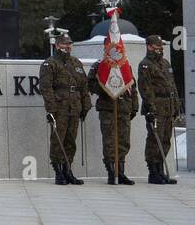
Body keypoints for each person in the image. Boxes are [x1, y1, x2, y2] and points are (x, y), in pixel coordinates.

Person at [40, 32, 90, 185]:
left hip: (75, 107)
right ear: (57, 45)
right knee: (58, 140)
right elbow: (46, 88)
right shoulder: (50, 63)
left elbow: (83, 86)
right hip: (59, 108)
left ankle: (68, 170)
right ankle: (58, 171)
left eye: (69, 44)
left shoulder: (76, 63)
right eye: (63, 44)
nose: (67, 47)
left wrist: (85, 106)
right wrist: (50, 109)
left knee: (70, 140)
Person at [87, 57, 138, 185]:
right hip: (108, 108)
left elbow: (132, 86)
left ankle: (120, 173)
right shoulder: (99, 65)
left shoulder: (124, 64)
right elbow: (90, 85)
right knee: (110, 141)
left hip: (124, 108)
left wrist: (134, 107)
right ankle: (111, 173)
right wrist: (108, 89)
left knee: (124, 141)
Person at [138, 33, 180, 185]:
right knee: (154, 140)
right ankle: (153, 172)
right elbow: (145, 89)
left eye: (160, 46)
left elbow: (172, 86)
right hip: (156, 106)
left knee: (165, 140)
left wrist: (176, 106)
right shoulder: (145, 64)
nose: (159, 49)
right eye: (156, 46)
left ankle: (161, 170)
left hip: (168, 107)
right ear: (149, 46)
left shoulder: (165, 63)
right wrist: (150, 109)